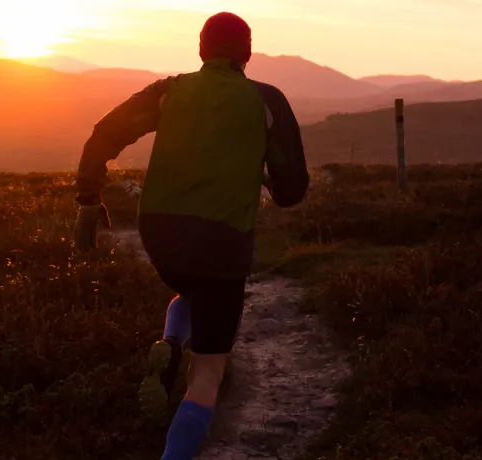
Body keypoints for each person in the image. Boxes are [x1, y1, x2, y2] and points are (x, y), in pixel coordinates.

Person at [71, 11, 309, 460]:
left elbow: (105, 133)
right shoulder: (267, 101)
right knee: (209, 374)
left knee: (189, 288)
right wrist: (266, 180)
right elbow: (292, 191)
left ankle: (172, 344)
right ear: (249, 53)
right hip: (222, 245)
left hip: (160, 234)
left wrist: (87, 198)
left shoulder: (168, 92)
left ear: (201, 50)